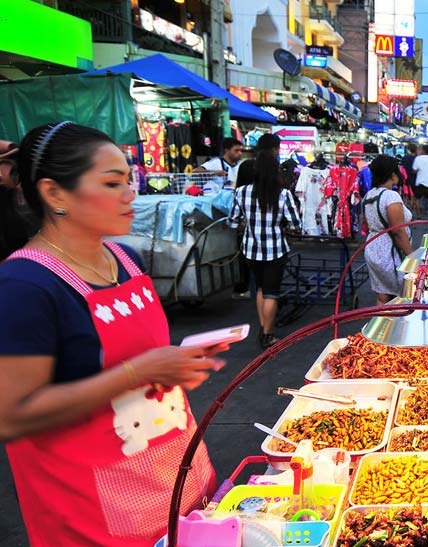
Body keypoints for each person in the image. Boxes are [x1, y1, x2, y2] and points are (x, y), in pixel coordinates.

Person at [0, 122, 225, 546]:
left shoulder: (126, 257)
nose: (130, 195)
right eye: (112, 183)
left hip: (177, 481)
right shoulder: (24, 285)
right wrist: (137, 372)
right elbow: (11, 415)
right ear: (54, 194)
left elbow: (134, 357)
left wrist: (174, 365)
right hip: (95, 515)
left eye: (129, 180)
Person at [228, 135, 301, 348]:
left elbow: (233, 222)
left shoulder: (241, 193)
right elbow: (295, 224)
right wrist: (283, 227)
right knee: (272, 292)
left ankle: (263, 327)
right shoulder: (283, 194)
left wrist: (248, 225)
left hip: (250, 250)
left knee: (260, 289)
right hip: (275, 250)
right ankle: (268, 334)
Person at [362, 155, 414, 305]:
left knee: (382, 296)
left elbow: (366, 223)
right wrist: (412, 257)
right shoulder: (391, 197)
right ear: (392, 174)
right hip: (390, 252)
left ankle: (380, 327)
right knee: (402, 296)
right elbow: (398, 232)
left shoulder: (369, 195)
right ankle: (397, 327)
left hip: (373, 248)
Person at [412, 144, 428, 218]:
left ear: (422, 150)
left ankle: (419, 215)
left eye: (419, 149)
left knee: (417, 199)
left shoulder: (418, 159)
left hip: (420, 181)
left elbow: (414, 170)